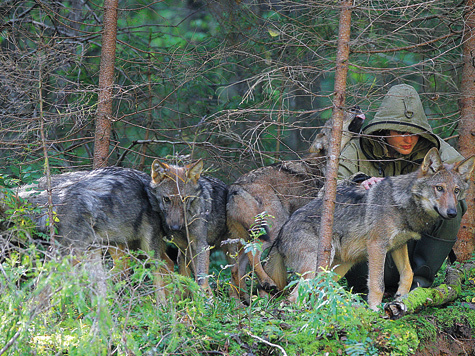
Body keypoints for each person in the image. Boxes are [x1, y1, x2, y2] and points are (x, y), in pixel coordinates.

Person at [338, 83, 467, 294]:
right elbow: (328, 192)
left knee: (455, 203)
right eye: (400, 131)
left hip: (410, 250)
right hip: (365, 252)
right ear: (384, 128)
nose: (409, 139)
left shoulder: (431, 149)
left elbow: (462, 179)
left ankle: (419, 285)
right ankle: (365, 289)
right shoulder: (357, 149)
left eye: (414, 132)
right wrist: (358, 182)